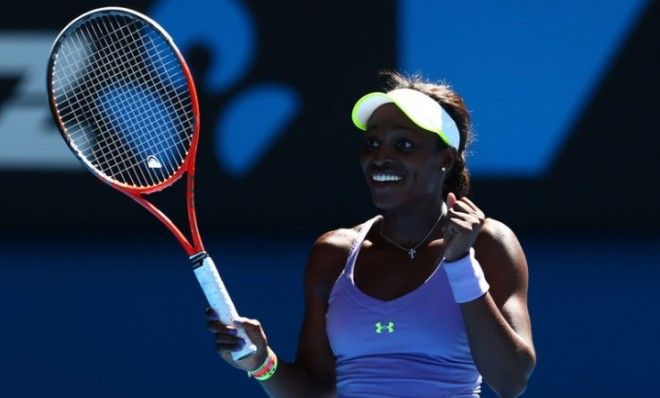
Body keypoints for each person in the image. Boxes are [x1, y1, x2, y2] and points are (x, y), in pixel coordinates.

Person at [207, 72, 536, 397]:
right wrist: (262, 362)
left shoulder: (489, 245)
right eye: (372, 143)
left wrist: (460, 263)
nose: (380, 158)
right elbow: (318, 388)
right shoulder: (333, 253)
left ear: (446, 158)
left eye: (403, 145)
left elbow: (511, 381)